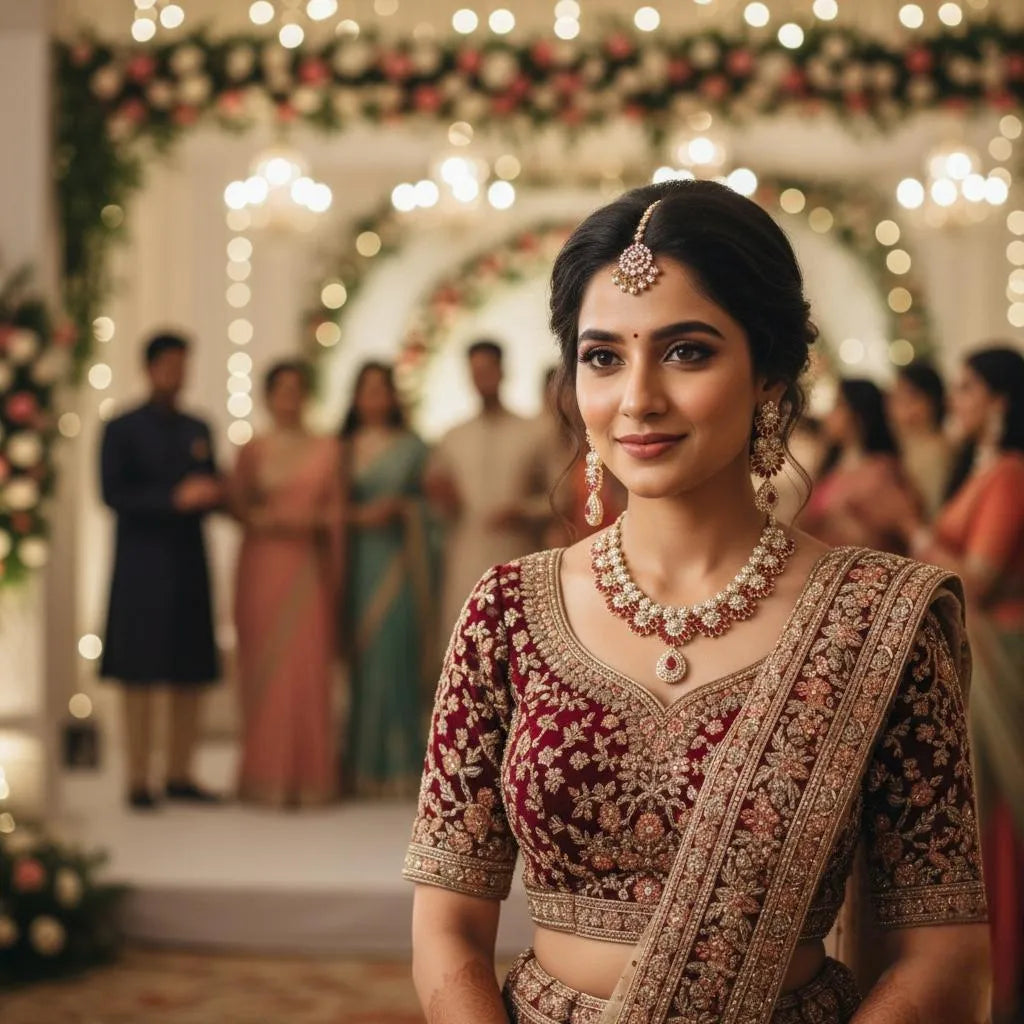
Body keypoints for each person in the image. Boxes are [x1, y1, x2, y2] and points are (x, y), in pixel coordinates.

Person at [403, 181, 990, 1024]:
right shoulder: (508, 611)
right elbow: (447, 927)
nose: (637, 398)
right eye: (602, 356)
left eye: (687, 352)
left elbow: (943, 952)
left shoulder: (875, 618)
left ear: (771, 376)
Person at [884, 346, 1024, 1023]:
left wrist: (910, 526)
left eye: (966, 387)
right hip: (982, 652)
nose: (956, 400)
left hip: (1005, 658)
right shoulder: (986, 468)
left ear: (998, 398)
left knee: (994, 811)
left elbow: (978, 577)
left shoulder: (1011, 474)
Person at [100, 332, 223, 810]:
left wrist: (212, 492)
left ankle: (180, 771)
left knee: (188, 667)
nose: (177, 373)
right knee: (139, 669)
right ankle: (137, 777)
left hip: (189, 560)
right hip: (141, 565)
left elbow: (210, 480)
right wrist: (171, 499)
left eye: (183, 364)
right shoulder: (122, 427)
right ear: (149, 368)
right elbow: (111, 493)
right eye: (169, 364)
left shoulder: (198, 426)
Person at [229, 361, 342, 807]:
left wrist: (312, 523)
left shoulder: (328, 447)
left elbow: (335, 514)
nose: (289, 398)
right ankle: (262, 777)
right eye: (281, 390)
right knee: (265, 666)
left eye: (297, 389)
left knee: (307, 666)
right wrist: (266, 519)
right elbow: (236, 504)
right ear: (268, 396)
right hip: (263, 564)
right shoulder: (252, 449)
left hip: (308, 568)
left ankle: (309, 779)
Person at [340, 361, 434, 797]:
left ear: (393, 396)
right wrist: (361, 516)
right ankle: (360, 767)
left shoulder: (415, 448)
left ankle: (398, 766)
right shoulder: (340, 449)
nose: (375, 397)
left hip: (400, 562)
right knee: (359, 660)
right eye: (367, 389)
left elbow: (434, 509)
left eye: (382, 389)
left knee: (395, 654)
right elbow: (329, 509)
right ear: (355, 397)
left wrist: (407, 511)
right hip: (354, 560)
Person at [426, 340, 546, 637]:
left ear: (503, 371)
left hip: (517, 554)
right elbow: (437, 507)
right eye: (475, 371)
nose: (482, 378)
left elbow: (560, 497)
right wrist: (441, 502)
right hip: (465, 557)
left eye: (488, 369)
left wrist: (524, 511)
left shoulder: (536, 432)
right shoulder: (452, 438)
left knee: (518, 646)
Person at [799, 378, 916, 552]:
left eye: (838, 405)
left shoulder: (880, 470)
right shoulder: (833, 465)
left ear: (858, 413)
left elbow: (880, 537)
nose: (830, 414)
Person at [886, 361, 952, 518]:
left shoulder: (936, 451)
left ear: (932, 401)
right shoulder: (904, 447)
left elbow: (932, 512)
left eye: (911, 398)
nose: (898, 407)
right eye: (896, 398)